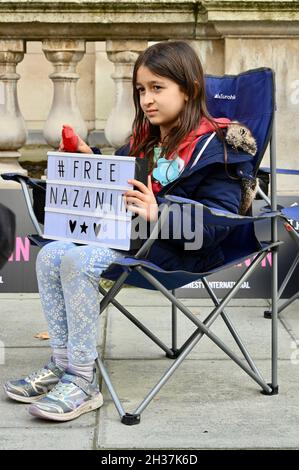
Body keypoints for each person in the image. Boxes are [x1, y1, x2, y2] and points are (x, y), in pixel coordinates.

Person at [3, 41, 258, 422]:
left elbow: (218, 223)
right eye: (141, 90)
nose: (146, 99)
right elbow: (113, 194)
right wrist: (88, 167)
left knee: (79, 258)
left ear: (188, 89)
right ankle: (62, 362)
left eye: (158, 88)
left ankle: (82, 380)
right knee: (52, 253)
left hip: (181, 247)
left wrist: (160, 212)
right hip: (130, 240)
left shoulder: (219, 148)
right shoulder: (144, 143)